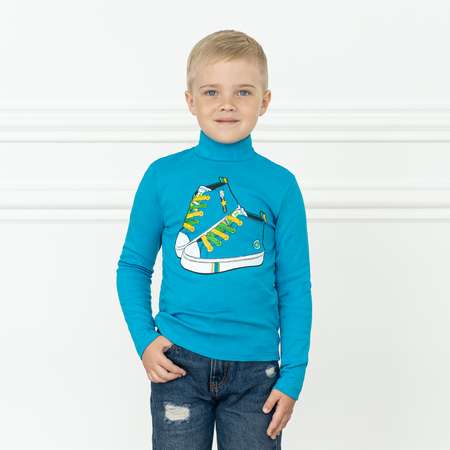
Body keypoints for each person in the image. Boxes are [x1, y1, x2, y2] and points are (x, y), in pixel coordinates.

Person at [116, 29, 313, 449]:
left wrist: (293, 374)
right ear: (190, 101)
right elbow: (133, 266)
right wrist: (144, 339)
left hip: (257, 373)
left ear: (264, 101)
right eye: (211, 92)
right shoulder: (162, 176)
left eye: (243, 92)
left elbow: (295, 286)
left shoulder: (281, 185)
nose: (227, 104)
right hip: (178, 363)